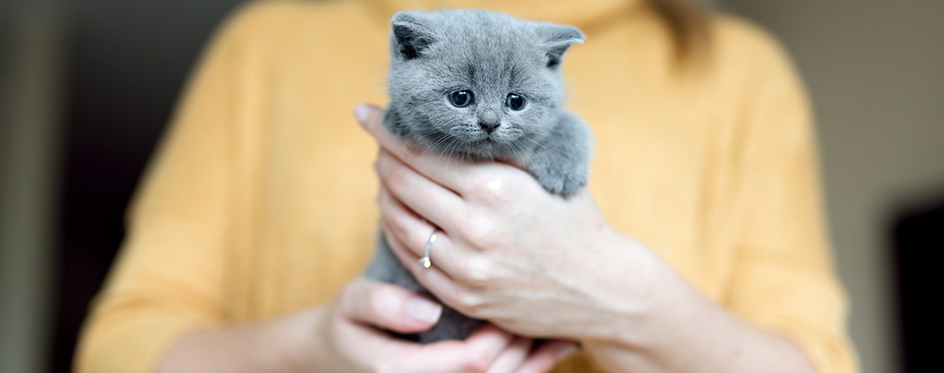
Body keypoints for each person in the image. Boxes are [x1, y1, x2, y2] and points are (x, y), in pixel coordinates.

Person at [74, 0, 859, 372]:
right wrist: (314, 347)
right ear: (408, 57)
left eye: (516, 104)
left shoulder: (737, 68)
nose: (488, 123)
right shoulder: (268, 41)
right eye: (461, 100)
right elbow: (122, 345)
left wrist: (619, 297)